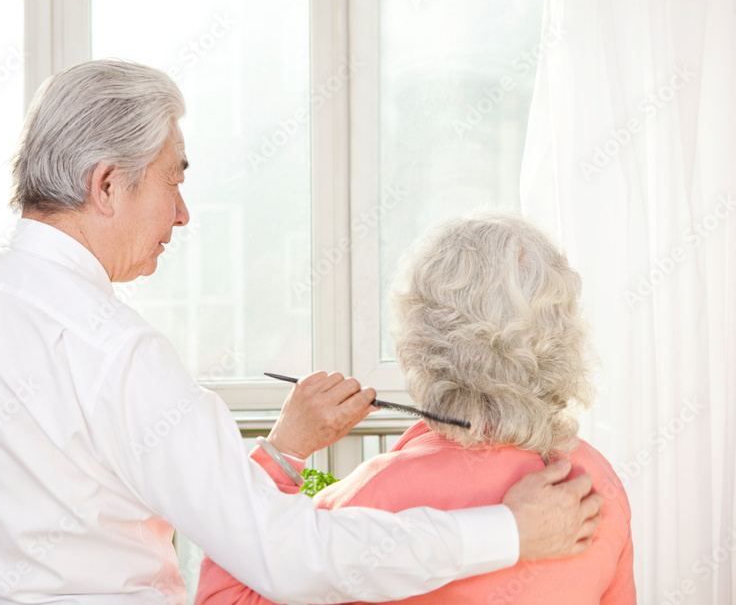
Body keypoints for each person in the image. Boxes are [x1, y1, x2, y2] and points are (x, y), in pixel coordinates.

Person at [0, 61, 603, 604]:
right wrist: (506, 532)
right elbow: (290, 556)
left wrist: (281, 452)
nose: (182, 213)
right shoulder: (118, 354)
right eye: (174, 178)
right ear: (108, 184)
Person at [196, 212, 635, 604]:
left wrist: (281, 451)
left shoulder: (379, 494)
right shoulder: (596, 480)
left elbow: (226, 598)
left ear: (421, 339)